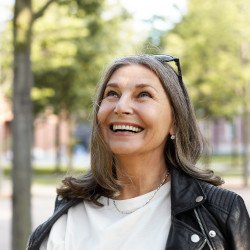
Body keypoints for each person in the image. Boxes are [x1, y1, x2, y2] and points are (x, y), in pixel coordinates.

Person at [27, 54, 250, 250]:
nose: (121, 107)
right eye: (112, 93)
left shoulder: (221, 212)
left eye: (143, 94)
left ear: (175, 121)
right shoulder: (68, 215)